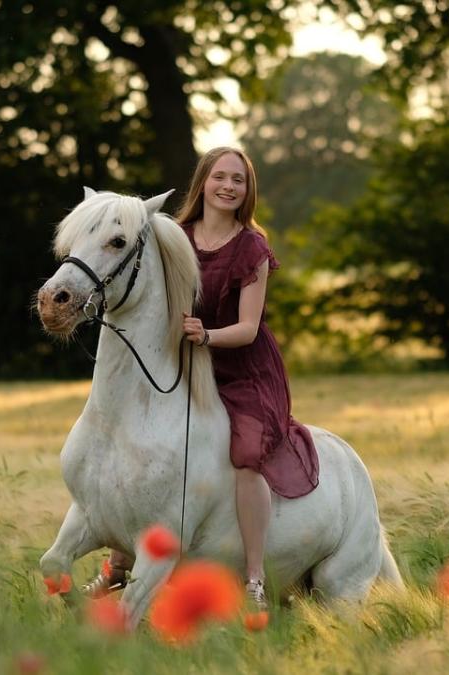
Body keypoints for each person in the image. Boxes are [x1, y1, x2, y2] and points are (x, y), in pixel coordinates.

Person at [83, 147, 319, 610]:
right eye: (220, 177)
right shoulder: (178, 236)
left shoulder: (252, 246)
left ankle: (253, 578)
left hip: (243, 368)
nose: (229, 186)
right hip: (187, 364)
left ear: (247, 191)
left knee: (247, 455)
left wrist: (207, 334)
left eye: (239, 180)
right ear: (203, 183)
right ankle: (117, 567)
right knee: (144, 452)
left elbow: (249, 328)